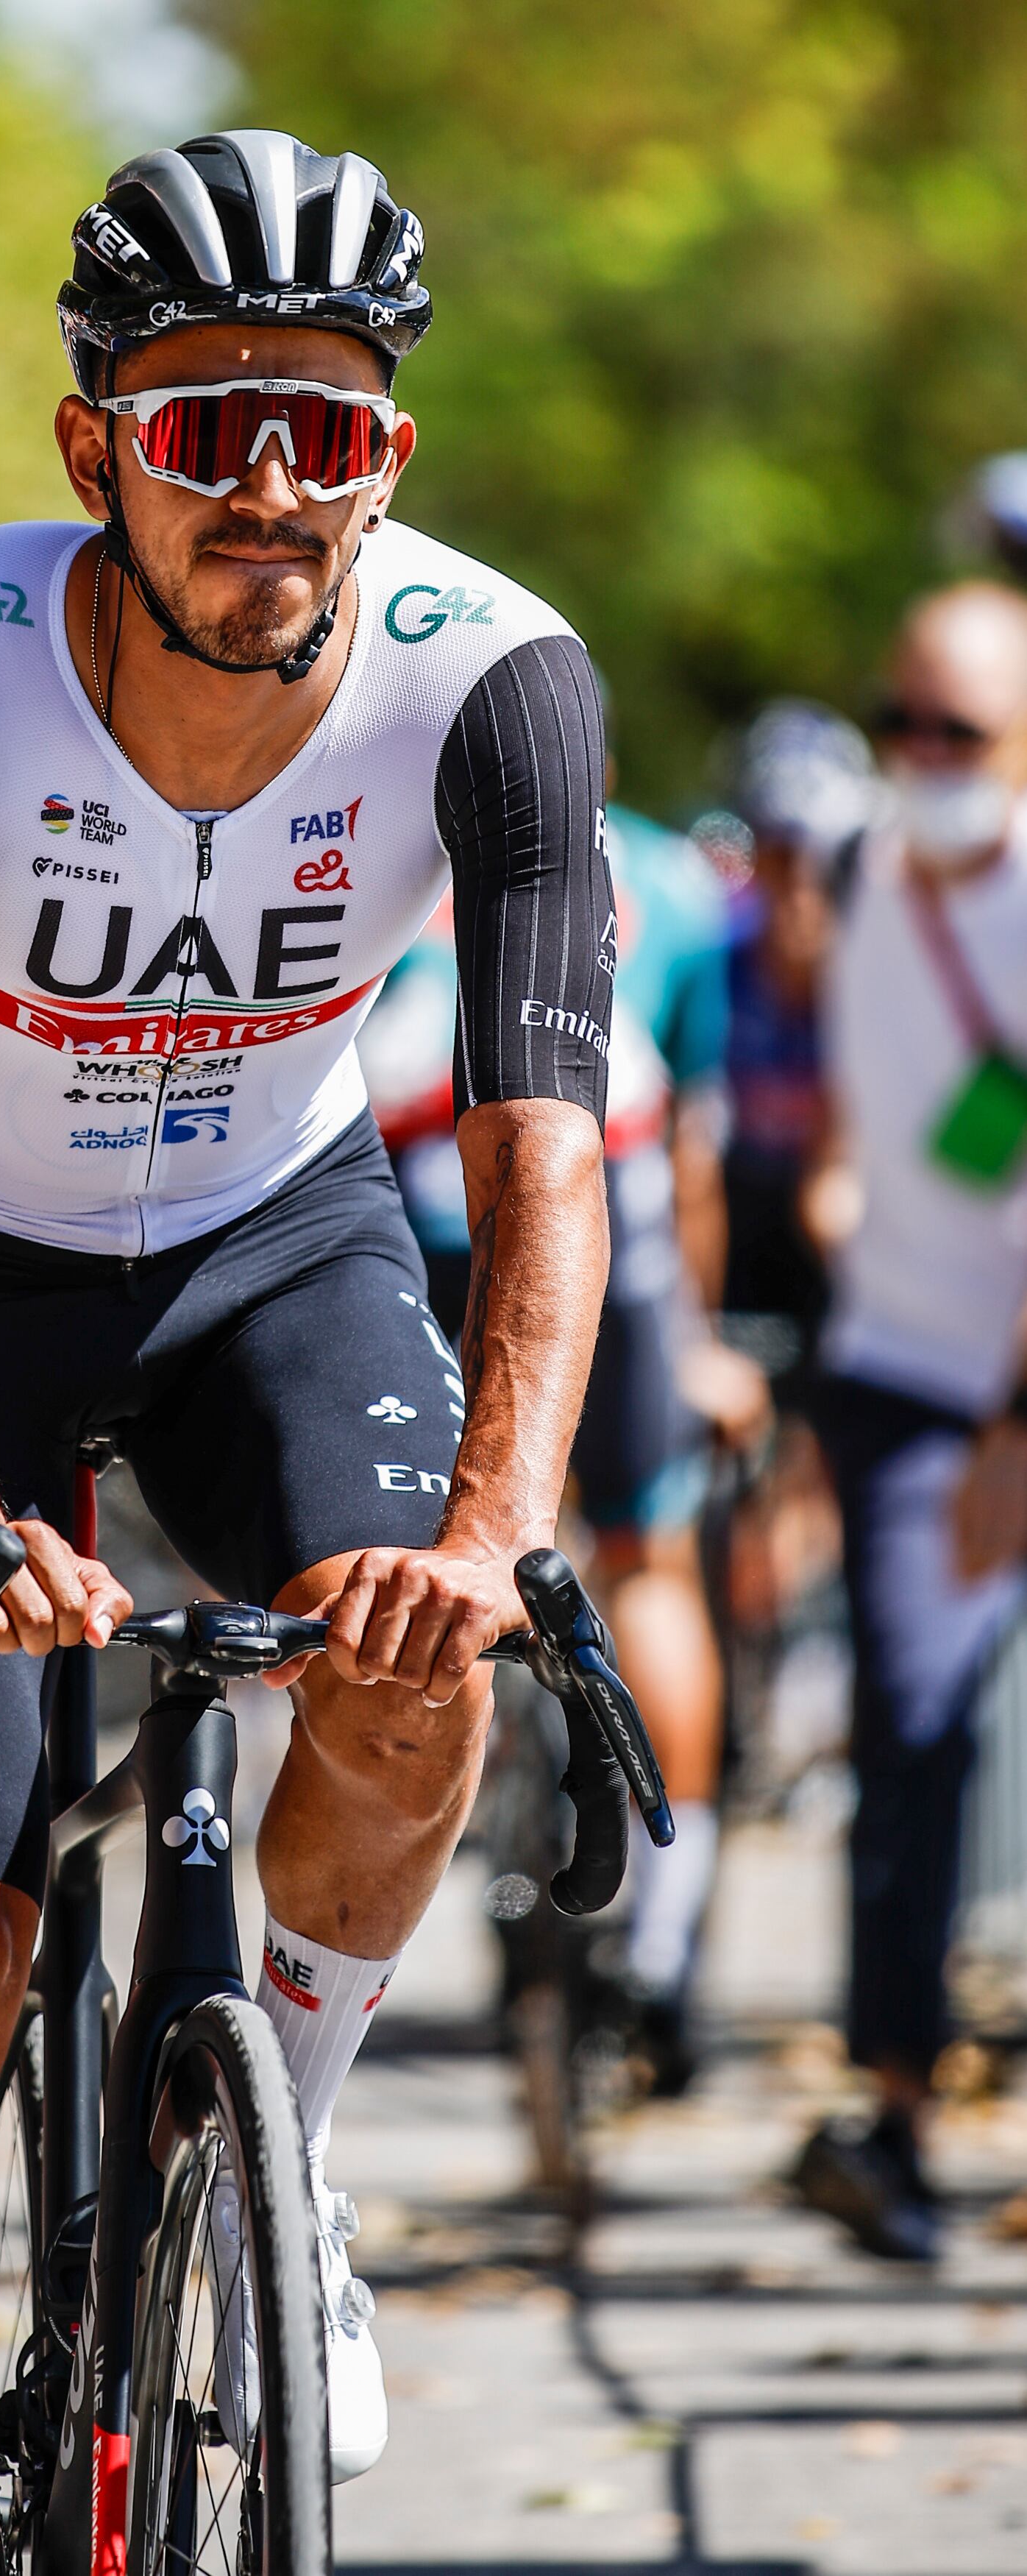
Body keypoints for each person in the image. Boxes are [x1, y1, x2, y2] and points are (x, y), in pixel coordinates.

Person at [0, 129, 614, 2564]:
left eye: (325, 432)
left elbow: (542, 1153)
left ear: (391, 467)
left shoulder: (498, 681)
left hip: (278, 1236)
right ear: (86, 454)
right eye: (198, 428)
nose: (266, 483)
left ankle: (295, 2175)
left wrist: (493, 1535)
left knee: (416, 1673)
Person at [363, 779, 753, 2093]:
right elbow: (687, 1136)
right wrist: (695, 1341)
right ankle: (661, 1933)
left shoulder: (355, 822)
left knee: (412, 1556)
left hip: (416, 1218)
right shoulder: (661, 874)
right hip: (608, 1210)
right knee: (645, 1560)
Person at [792, 583, 1027, 2262]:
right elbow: (862, 1084)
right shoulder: (864, 864)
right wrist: (833, 1183)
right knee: (914, 1726)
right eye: (907, 722)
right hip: (896, 1370)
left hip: (1004, 1392)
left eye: (965, 732)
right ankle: (891, 2114)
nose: (926, 757)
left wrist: (1011, 1427)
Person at [722, 701, 875, 1332]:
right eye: (782, 859)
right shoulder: (712, 955)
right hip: (734, 1233)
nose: (803, 897)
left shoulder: (886, 975)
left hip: (849, 1246)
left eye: (830, 867)